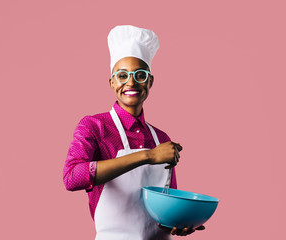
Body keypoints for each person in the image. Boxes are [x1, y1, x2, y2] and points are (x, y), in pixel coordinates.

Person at [63, 25, 204, 239]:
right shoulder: (94, 126)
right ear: (112, 83)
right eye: (122, 75)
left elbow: (167, 207)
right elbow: (72, 177)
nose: (131, 82)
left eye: (140, 74)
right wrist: (148, 156)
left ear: (150, 81)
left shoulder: (161, 139)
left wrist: (179, 223)